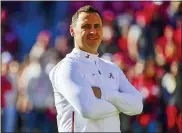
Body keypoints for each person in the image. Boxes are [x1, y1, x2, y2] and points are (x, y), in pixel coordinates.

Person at [49, 5, 143, 132]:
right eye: (86, 26)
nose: (93, 31)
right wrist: (122, 105)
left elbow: (137, 105)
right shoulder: (67, 67)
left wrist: (105, 94)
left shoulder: (111, 68)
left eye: (97, 26)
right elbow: (88, 109)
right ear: (72, 30)